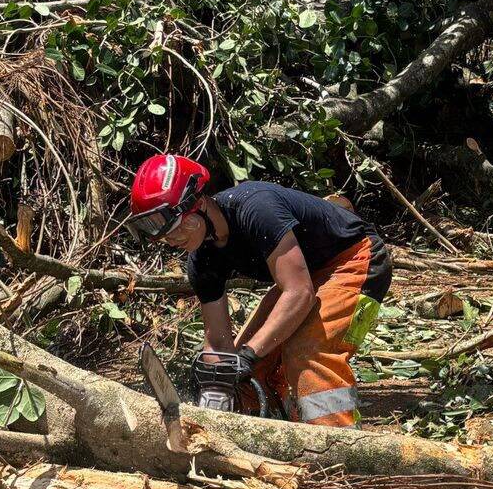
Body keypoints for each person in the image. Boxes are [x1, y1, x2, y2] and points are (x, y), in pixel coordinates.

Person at [128, 155, 392, 426]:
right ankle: (267, 429)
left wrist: (250, 353)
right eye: (164, 237)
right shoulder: (201, 261)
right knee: (247, 371)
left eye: (177, 227)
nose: (173, 240)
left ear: (200, 203)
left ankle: (340, 440)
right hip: (304, 274)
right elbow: (219, 343)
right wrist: (217, 383)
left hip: (355, 259)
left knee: (306, 352)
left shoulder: (256, 208)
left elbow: (299, 293)